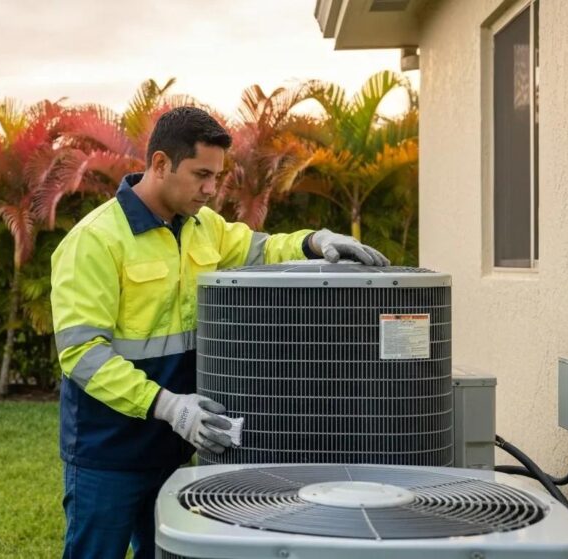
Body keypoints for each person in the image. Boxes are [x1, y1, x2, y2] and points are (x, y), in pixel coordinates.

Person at [50, 106, 389, 559]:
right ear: (160, 164)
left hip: (175, 447)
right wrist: (167, 405)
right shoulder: (95, 241)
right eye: (201, 175)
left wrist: (314, 241)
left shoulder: (200, 226)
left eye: (217, 177)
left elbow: (261, 248)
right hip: (108, 451)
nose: (211, 190)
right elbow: (83, 355)